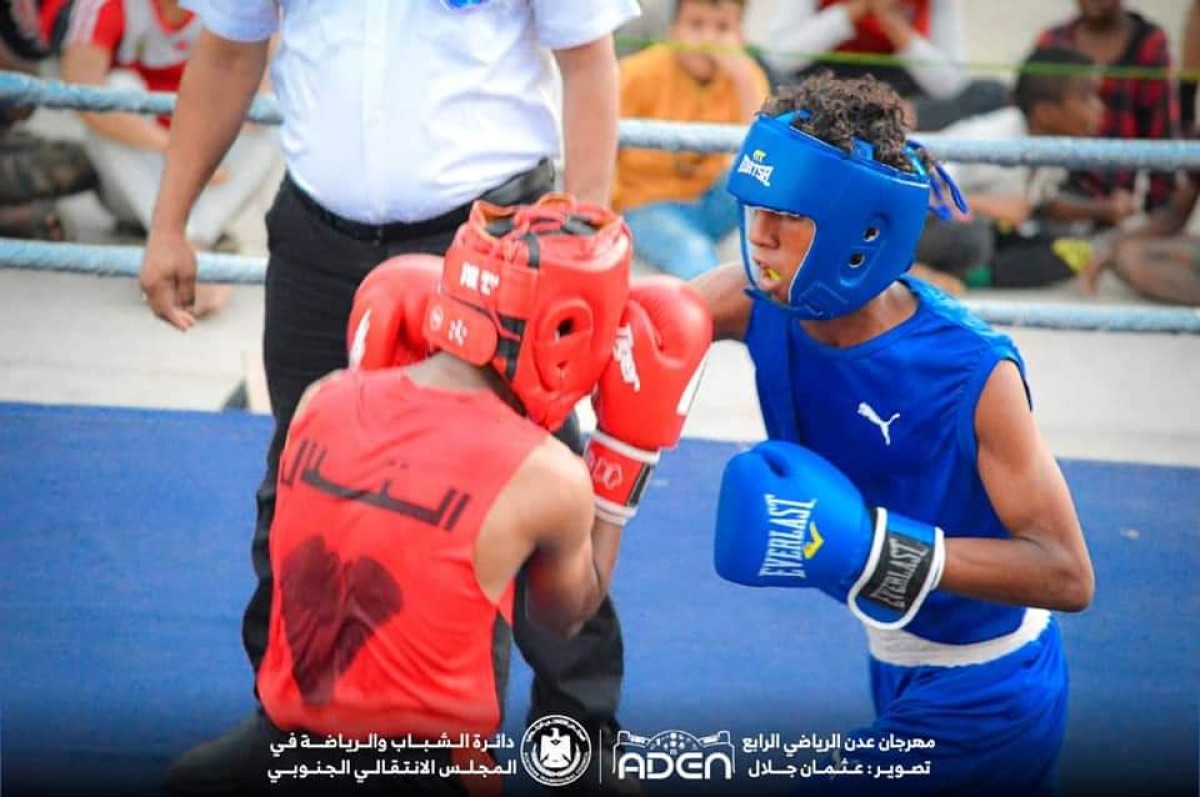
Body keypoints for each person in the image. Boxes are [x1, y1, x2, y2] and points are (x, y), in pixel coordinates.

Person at [137, 2, 643, 794]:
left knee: (521, 486)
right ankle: (290, 721)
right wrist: (169, 221)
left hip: (492, 241)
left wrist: (580, 246)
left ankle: (573, 741)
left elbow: (588, 60)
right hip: (316, 238)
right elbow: (229, 51)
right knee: (300, 480)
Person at [692, 73, 1094, 794]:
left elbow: (1067, 571)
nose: (760, 235)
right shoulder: (757, 297)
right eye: (755, 209)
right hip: (896, 658)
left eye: (787, 214)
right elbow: (634, 327)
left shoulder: (973, 370)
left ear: (859, 228)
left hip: (991, 689)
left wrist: (882, 548)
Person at [238, 194, 711, 795]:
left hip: (288, 750)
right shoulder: (547, 477)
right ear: (566, 328)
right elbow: (565, 618)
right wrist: (623, 460)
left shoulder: (323, 398)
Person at [51, 0, 282, 317]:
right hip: (136, 181)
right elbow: (81, 92)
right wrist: (179, 149)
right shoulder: (106, 5)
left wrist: (202, 155)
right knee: (118, 91)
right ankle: (188, 248)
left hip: (208, 186)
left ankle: (193, 244)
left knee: (267, 108)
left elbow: (265, 80)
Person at [913, 46, 1107, 292]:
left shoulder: (1055, 145)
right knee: (975, 236)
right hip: (921, 227)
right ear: (1046, 112)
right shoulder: (990, 139)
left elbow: (1036, 204)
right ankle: (915, 271)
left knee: (1070, 247)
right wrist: (981, 204)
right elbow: (922, 192)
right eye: (1087, 98)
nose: (1099, 109)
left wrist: (1103, 210)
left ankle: (968, 275)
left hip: (988, 228)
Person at [613, 0, 770, 280]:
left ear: (741, 36)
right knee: (694, 252)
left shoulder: (744, 75)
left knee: (762, 186)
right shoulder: (639, 72)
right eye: (696, 25)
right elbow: (605, 140)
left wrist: (743, 79)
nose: (708, 38)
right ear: (673, 31)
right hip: (647, 201)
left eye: (722, 28)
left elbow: (766, 153)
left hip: (710, 197)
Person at [758, 0, 1009, 131]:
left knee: (990, 93)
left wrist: (892, 23)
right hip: (821, 89)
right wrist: (856, 9)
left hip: (900, 98)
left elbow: (953, 85)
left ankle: (881, 118)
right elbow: (779, 57)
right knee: (757, 64)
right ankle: (854, 117)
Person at [1035, 0, 1178, 216]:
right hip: (1055, 187)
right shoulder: (1053, 41)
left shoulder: (1148, 43)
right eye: (1087, 97)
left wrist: (1158, 214)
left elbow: (1162, 130)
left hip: (1113, 194)